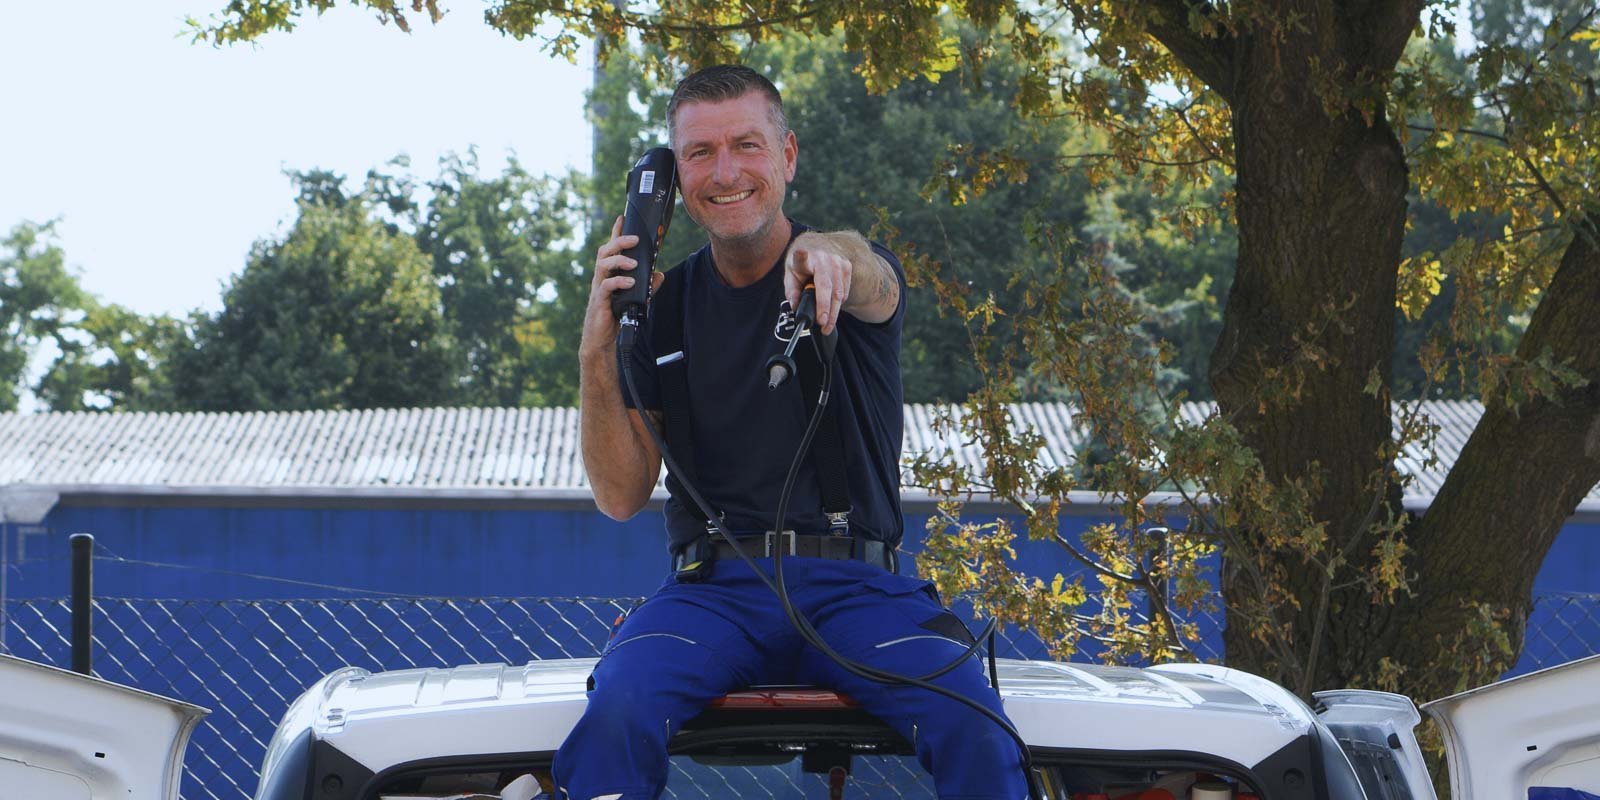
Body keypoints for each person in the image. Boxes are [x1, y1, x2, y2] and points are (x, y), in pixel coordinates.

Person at [558, 64, 1027, 799]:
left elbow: (873, 279)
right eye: (700, 153)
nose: (726, 172)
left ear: (788, 156)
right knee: (618, 708)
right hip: (713, 594)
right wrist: (596, 351)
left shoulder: (843, 272)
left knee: (973, 722)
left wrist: (834, 254)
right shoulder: (661, 309)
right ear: (673, 180)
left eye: (747, 145)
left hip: (857, 591)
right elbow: (619, 497)